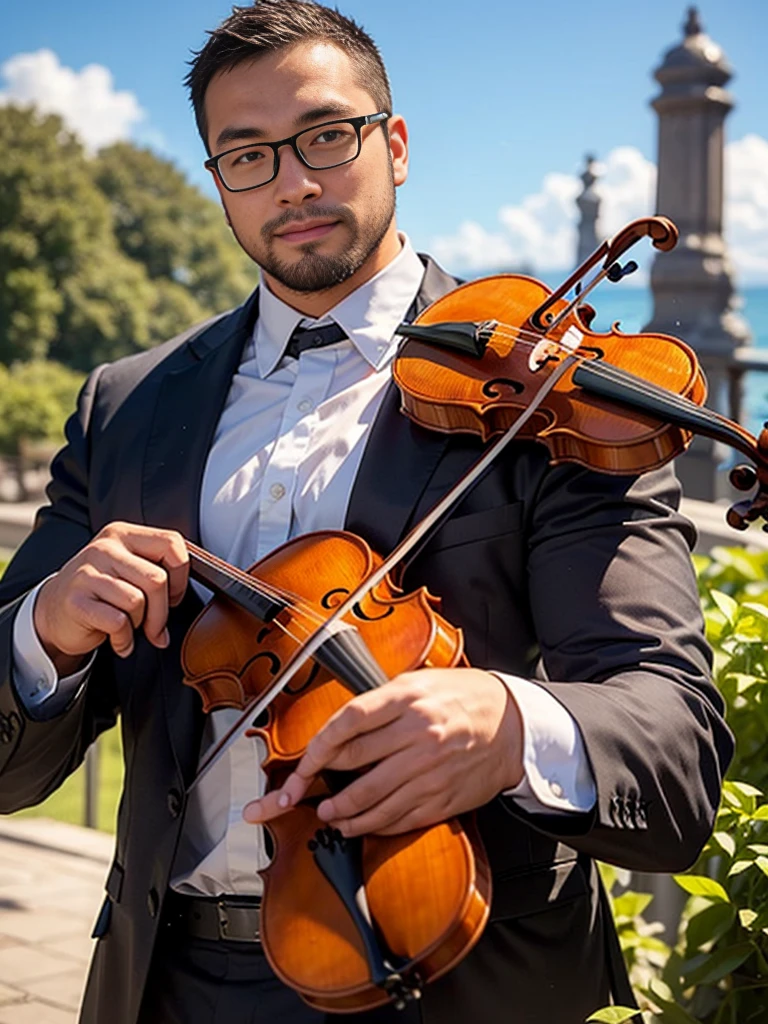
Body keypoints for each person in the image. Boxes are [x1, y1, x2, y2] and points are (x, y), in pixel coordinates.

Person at [0, 2, 733, 1023]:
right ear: (216, 181)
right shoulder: (124, 406)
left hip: (468, 977)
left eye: (326, 136)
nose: (292, 182)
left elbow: (673, 742)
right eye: (246, 156)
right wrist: (42, 634)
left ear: (393, 143)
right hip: (166, 985)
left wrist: (511, 722)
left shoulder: (553, 391)